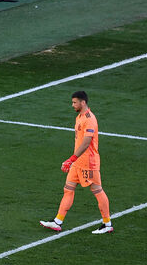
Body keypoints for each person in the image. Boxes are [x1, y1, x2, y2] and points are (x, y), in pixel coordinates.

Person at [40, 90, 115, 235]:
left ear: (83, 102)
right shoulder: (79, 117)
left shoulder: (89, 119)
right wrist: (74, 160)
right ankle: (57, 222)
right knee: (68, 189)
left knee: (97, 190)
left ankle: (107, 224)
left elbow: (86, 142)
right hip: (78, 162)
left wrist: (71, 159)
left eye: (75, 102)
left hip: (88, 163)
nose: (72, 105)